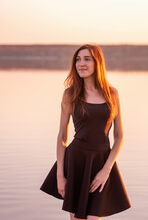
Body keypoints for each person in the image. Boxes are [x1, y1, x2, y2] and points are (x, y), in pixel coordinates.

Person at [40, 43, 131, 220]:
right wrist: (60, 175)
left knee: (93, 217)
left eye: (87, 59)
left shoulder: (112, 93)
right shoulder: (70, 94)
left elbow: (119, 136)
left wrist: (107, 169)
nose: (81, 63)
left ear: (98, 63)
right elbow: (62, 136)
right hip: (76, 160)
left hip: (102, 161)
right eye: (78, 60)